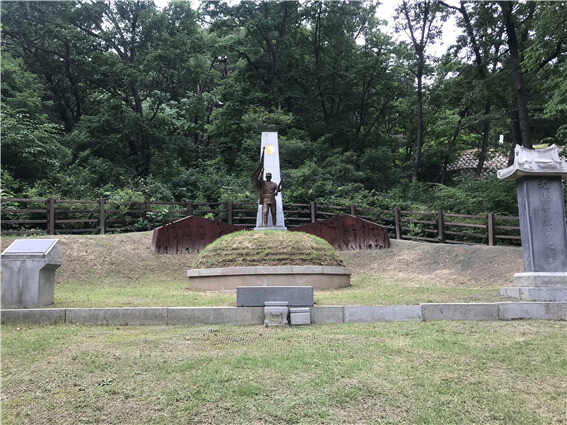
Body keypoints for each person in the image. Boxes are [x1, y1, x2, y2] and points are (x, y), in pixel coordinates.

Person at [251, 148, 282, 226]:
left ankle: (274, 225)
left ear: (271, 177)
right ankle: (264, 225)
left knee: (274, 213)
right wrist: (261, 172)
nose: (268, 177)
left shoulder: (274, 183)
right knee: (265, 212)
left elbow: (278, 190)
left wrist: (279, 189)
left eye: (269, 176)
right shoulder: (263, 183)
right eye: (267, 176)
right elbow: (259, 179)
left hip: (272, 198)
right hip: (265, 199)